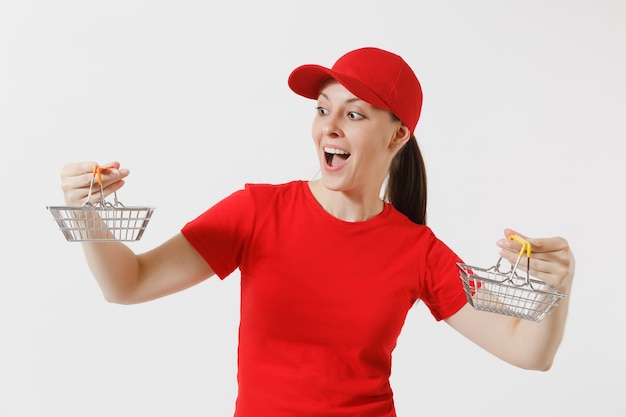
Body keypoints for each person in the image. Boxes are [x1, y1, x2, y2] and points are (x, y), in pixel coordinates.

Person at [59, 47, 575, 417]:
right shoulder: (257, 212)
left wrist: (557, 285)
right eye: (323, 109)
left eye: (353, 114)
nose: (329, 127)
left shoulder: (417, 251)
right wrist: (86, 214)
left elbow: (529, 352)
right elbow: (126, 284)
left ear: (398, 135)